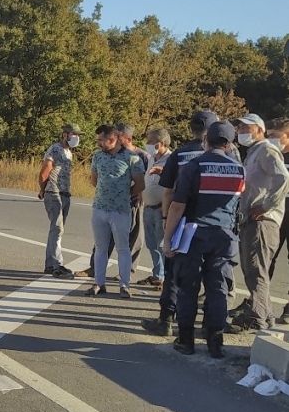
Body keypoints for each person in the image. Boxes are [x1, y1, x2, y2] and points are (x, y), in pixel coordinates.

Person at [164, 120, 245, 358]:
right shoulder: (239, 168)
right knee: (219, 286)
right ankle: (215, 341)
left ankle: (186, 340)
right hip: (225, 235)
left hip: (194, 233)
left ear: (205, 140)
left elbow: (178, 206)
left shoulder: (194, 166)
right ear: (230, 144)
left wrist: (168, 239)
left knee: (188, 285)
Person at [141, 111, 216, 336]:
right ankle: (209, 326)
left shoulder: (180, 154)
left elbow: (168, 193)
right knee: (212, 275)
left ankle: (166, 321)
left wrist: (166, 221)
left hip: (182, 221)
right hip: (214, 222)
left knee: (174, 271)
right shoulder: (226, 155)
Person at [227, 113, 289, 332]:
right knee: (254, 269)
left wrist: (266, 206)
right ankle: (266, 314)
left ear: (260, 130)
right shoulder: (253, 152)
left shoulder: (266, 150)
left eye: (247, 129)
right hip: (252, 220)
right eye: (240, 129)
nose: (243, 132)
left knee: (256, 270)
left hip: (263, 221)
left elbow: (283, 178)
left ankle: (257, 318)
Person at [75, 123, 147, 280]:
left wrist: (125, 195)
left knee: (123, 248)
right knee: (100, 247)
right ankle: (98, 282)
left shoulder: (132, 158)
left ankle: (124, 282)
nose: (98, 143)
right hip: (100, 208)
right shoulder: (98, 156)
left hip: (121, 210)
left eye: (101, 140)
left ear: (113, 139)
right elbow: (94, 180)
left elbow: (140, 184)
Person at [38, 124, 83, 279]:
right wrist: (43, 189)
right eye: (74, 134)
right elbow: (44, 172)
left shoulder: (69, 153)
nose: (77, 138)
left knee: (55, 229)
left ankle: (50, 265)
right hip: (54, 192)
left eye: (78, 135)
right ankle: (58, 265)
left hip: (64, 194)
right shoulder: (55, 149)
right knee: (57, 229)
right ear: (65, 135)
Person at [137, 128, 172, 289]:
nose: (148, 144)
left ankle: (167, 278)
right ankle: (158, 275)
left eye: (151, 142)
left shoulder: (171, 159)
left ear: (162, 143)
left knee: (163, 245)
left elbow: (175, 181)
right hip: (148, 207)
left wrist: (163, 171)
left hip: (161, 209)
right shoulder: (151, 158)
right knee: (151, 244)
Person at [266, 117, 289, 325]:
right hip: (275, 214)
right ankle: (257, 302)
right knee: (266, 258)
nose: (270, 140)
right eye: (269, 135)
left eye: (274, 136)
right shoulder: (273, 156)